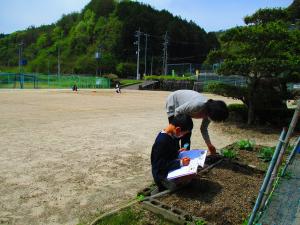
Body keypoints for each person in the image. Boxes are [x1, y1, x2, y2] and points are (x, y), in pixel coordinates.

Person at [166, 90, 229, 155]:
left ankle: (186, 154)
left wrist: (209, 145)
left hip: (186, 109)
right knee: (175, 134)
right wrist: (180, 127)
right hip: (175, 101)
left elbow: (203, 129)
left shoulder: (210, 113)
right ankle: (175, 155)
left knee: (187, 135)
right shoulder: (197, 105)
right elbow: (178, 111)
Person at [151, 114, 194, 193]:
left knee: (191, 175)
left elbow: (168, 153)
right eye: (183, 134)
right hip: (161, 175)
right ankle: (161, 187)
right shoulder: (162, 141)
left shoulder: (171, 135)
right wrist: (181, 162)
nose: (182, 136)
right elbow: (160, 165)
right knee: (188, 178)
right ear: (177, 129)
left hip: (169, 168)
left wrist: (178, 152)